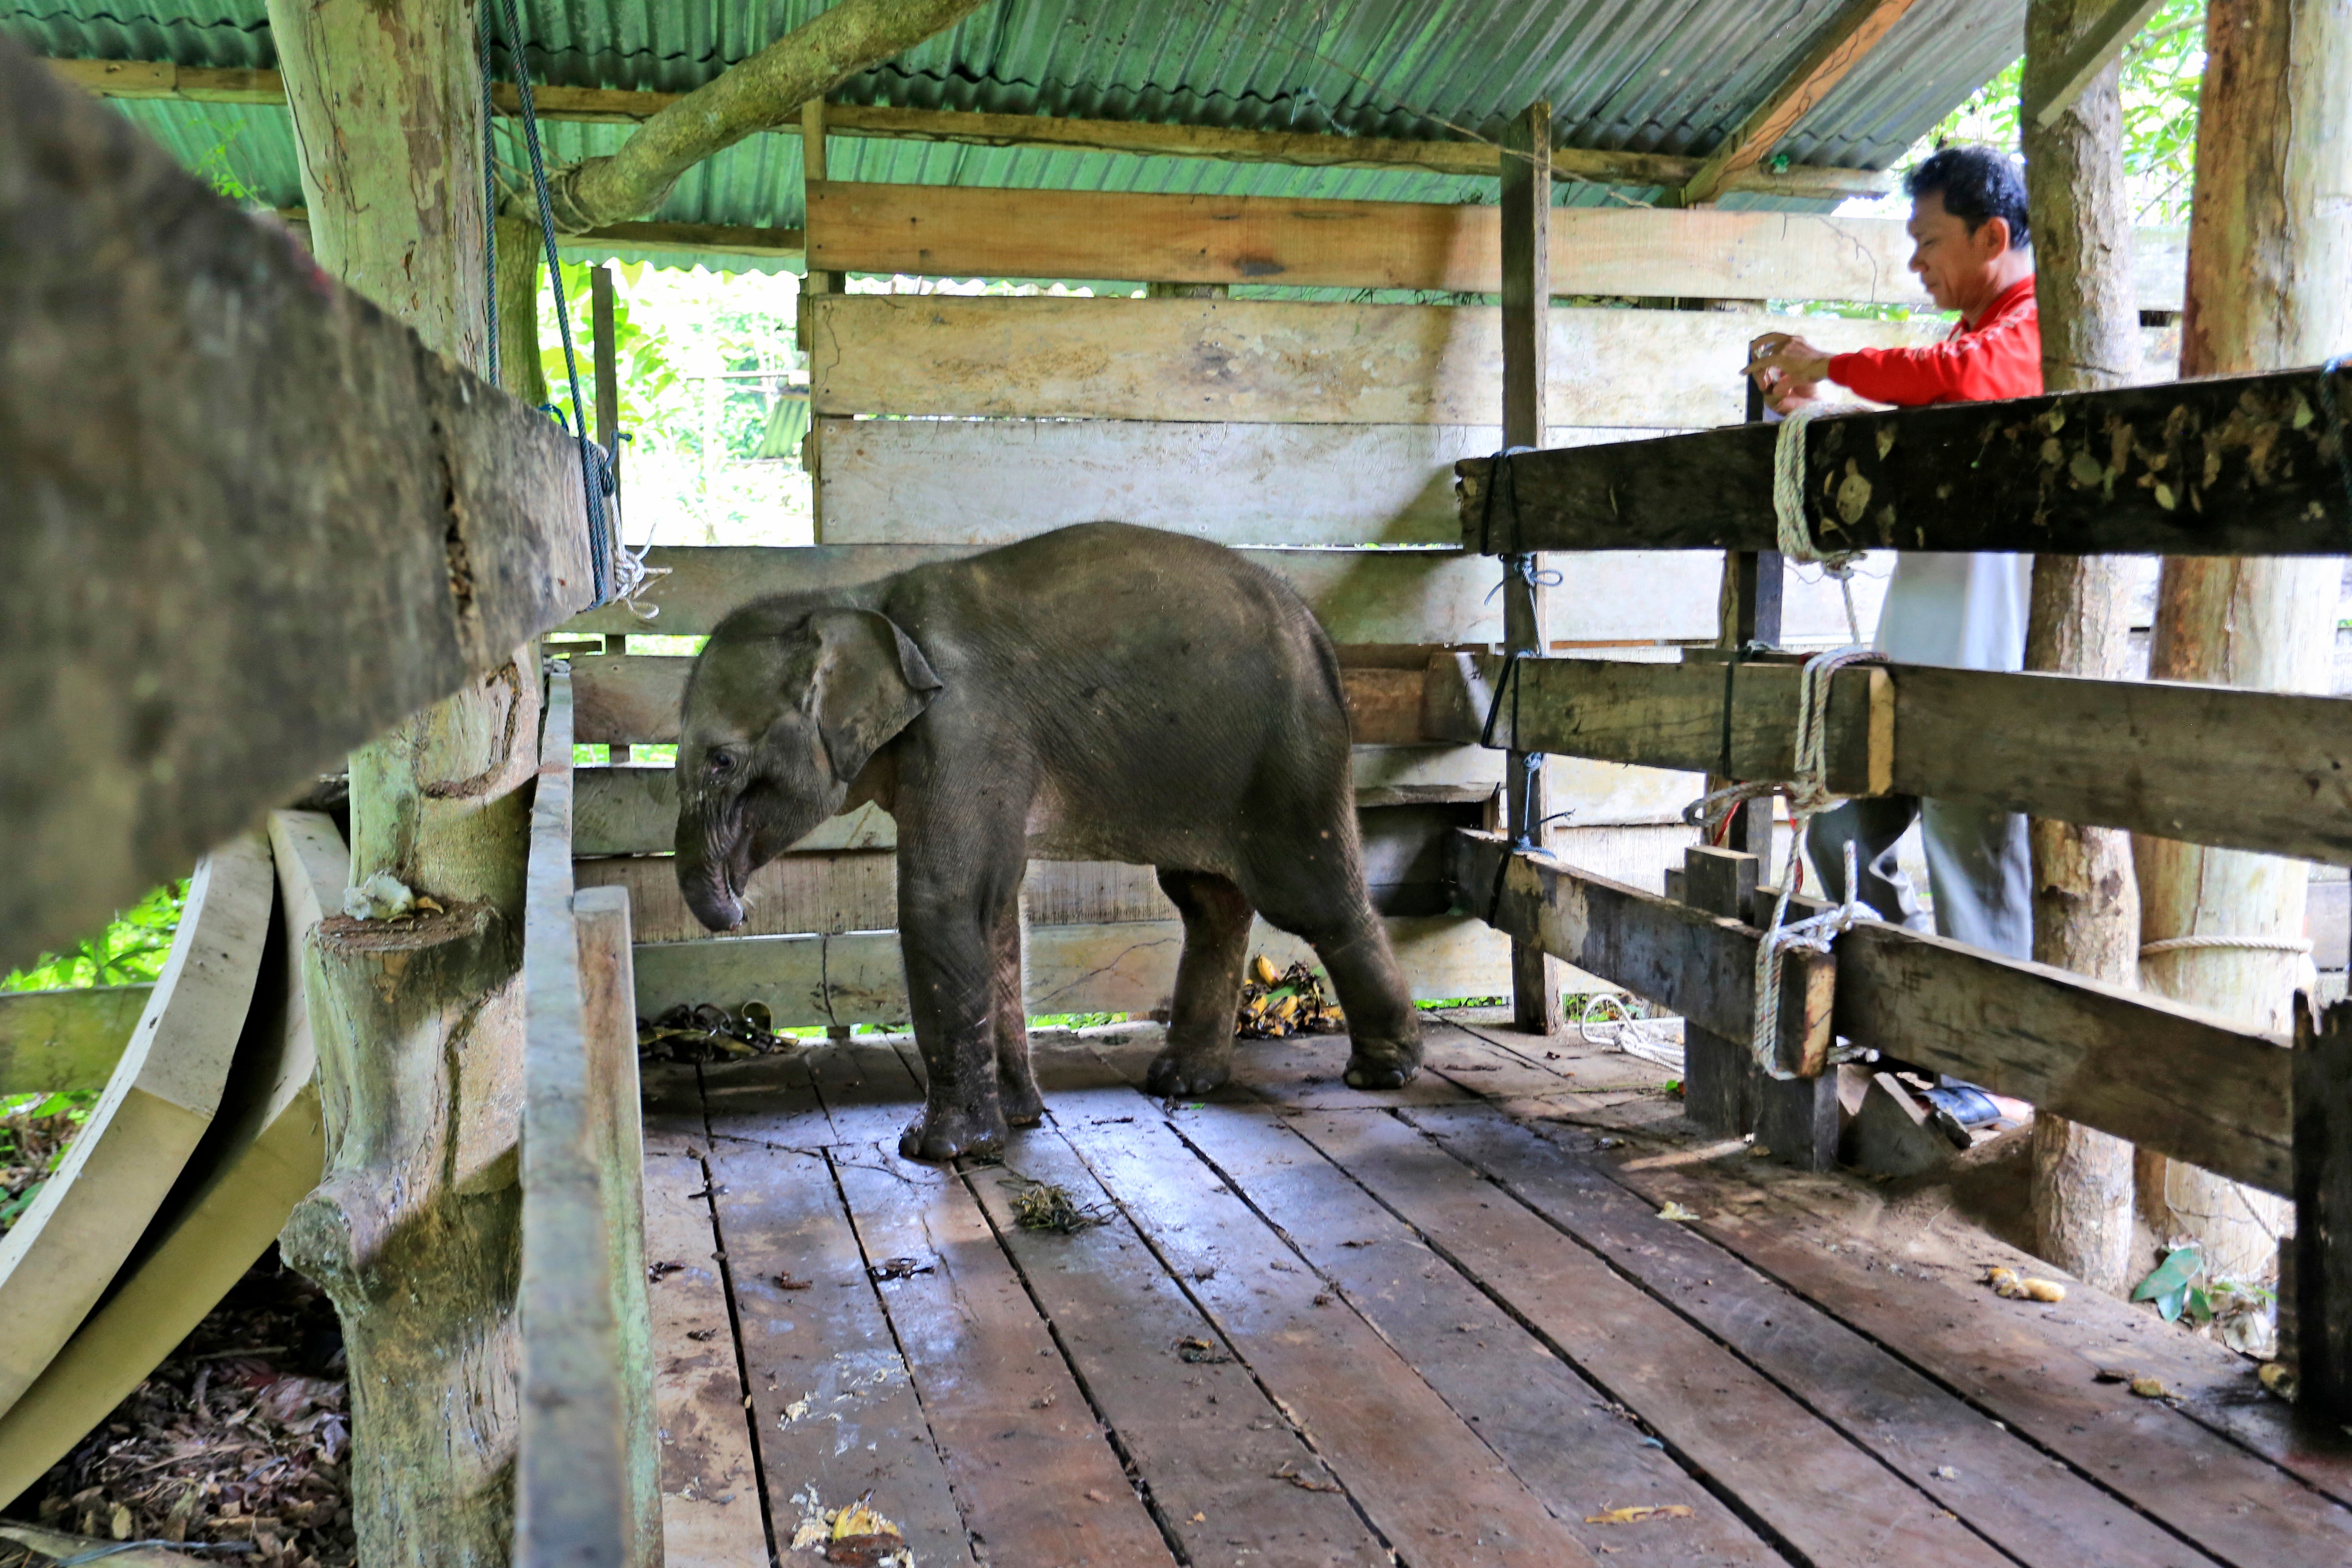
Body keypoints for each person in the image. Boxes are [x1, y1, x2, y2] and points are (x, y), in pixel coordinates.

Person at [1745, 145, 2039, 963]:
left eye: (1929, 241)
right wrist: (1819, 405)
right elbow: (1934, 399)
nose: (1916, 262)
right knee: (1840, 827)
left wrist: (1828, 363)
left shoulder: (2030, 329)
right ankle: (1903, 995)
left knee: (1972, 860)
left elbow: (1966, 376)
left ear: (1990, 236)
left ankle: (1989, 1075)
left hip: (1986, 658)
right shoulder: (1975, 338)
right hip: (1916, 650)